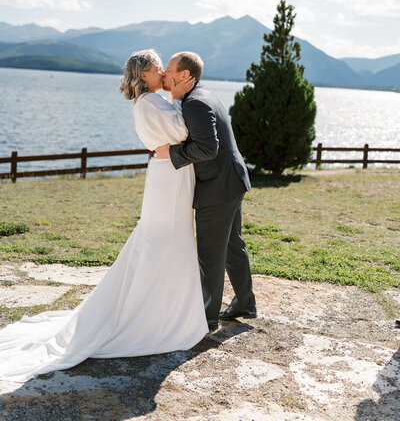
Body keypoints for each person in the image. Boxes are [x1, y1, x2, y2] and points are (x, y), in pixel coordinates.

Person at [0, 49, 208, 383]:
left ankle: (167, 308)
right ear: (146, 74)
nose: (163, 73)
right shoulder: (149, 103)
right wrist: (185, 103)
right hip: (170, 178)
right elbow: (183, 133)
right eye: (159, 68)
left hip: (172, 173)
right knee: (164, 240)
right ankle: (156, 314)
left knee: (168, 240)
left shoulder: (152, 100)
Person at [157, 52, 256, 331]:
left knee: (211, 253)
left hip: (218, 186)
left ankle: (206, 316)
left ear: (185, 76)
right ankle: (244, 304)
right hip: (231, 180)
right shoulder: (200, 95)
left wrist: (170, 152)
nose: (165, 74)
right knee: (232, 245)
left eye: (169, 70)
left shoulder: (196, 103)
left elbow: (207, 148)